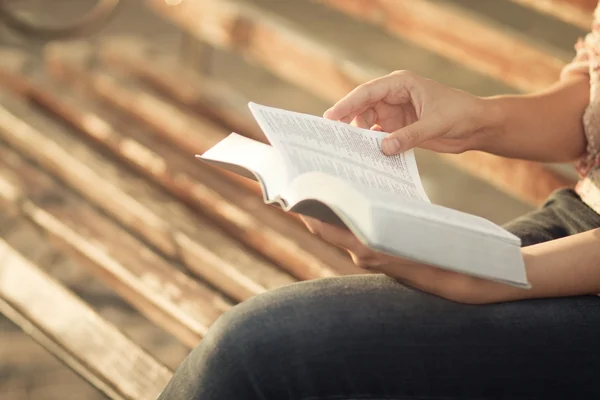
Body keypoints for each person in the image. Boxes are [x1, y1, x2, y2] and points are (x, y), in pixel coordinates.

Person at [157, 6, 600, 400]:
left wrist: (499, 279)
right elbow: (590, 105)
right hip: (578, 221)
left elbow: (491, 281)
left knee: (255, 351)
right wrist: (478, 119)